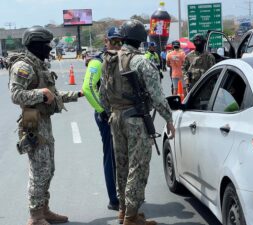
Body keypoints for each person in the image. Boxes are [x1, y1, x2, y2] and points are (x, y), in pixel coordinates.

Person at [100, 19, 175, 225]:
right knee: (138, 167)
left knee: (122, 165)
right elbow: (158, 96)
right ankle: (131, 217)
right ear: (141, 39)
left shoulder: (109, 59)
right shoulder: (141, 61)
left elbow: (103, 94)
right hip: (135, 120)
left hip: (115, 118)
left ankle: (124, 210)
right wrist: (169, 119)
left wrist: (113, 113)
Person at [8, 26, 84, 225]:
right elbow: (16, 95)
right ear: (36, 46)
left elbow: (53, 96)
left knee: (48, 169)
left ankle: (44, 209)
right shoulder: (24, 67)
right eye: (46, 45)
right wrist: (41, 93)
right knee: (39, 170)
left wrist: (77, 94)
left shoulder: (39, 65)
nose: (49, 49)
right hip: (32, 121)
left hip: (44, 122)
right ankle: (35, 216)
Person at [82, 26, 123, 211]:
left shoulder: (123, 59)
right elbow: (88, 88)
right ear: (106, 41)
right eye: (112, 41)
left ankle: (124, 195)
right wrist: (103, 110)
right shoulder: (97, 62)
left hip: (122, 114)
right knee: (111, 157)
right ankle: (114, 199)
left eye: (119, 41)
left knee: (123, 156)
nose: (116, 44)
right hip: (106, 116)